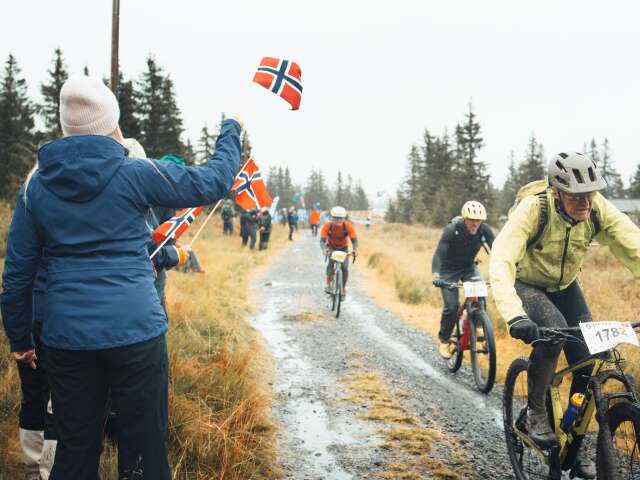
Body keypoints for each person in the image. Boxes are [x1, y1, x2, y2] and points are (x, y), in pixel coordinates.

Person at [0, 75, 243, 480]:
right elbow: (215, 181)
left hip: (67, 338)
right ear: (112, 121)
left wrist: (22, 341)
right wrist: (231, 128)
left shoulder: (35, 187)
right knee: (144, 449)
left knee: (74, 450)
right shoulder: (135, 173)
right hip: (136, 331)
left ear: (65, 126)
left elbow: (17, 275)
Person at [490, 152, 640, 479]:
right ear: (557, 192)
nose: (585, 202)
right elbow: (501, 260)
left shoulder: (597, 207)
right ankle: (535, 412)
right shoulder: (535, 210)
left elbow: (634, 245)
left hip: (566, 286)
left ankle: (578, 441)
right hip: (528, 283)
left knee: (591, 360)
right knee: (554, 331)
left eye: (590, 194)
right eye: (576, 196)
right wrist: (515, 316)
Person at [431, 201, 495, 360]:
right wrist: (436, 275)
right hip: (448, 270)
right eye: (471, 219)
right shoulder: (452, 230)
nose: (475, 223)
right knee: (452, 306)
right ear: (465, 218)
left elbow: (497, 251)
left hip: (468, 267)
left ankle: (479, 324)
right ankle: (445, 339)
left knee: (480, 293)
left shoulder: (484, 230)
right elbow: (439, 254)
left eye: (478, 220)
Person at [320, 206, 358, 297]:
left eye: (340, 218)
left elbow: (354, 240)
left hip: (343, 248)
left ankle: (343, 289)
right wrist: (324, 249)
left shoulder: (348, 226)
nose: (338, 220)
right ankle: (328, 284)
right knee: (331, 264)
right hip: (331, 247)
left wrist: (355, 250)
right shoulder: (327, 226)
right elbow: (322, 240)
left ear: (343, 218)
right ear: (332, 217)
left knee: (344, 268)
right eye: (335, 218)